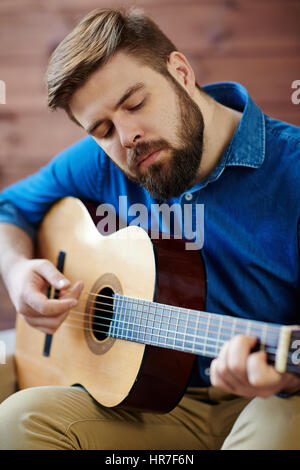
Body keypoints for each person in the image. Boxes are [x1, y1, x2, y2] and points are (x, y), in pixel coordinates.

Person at [0, 7, 299, 450]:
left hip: (272, 399)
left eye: (135, 103)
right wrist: (17, 270)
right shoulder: (100, 163)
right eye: (102, 129)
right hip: (150, 405)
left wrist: (287, 374)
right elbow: (10, 209)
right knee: (17, 421)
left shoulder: (291, 170)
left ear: (180, 72)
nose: (125, 137)